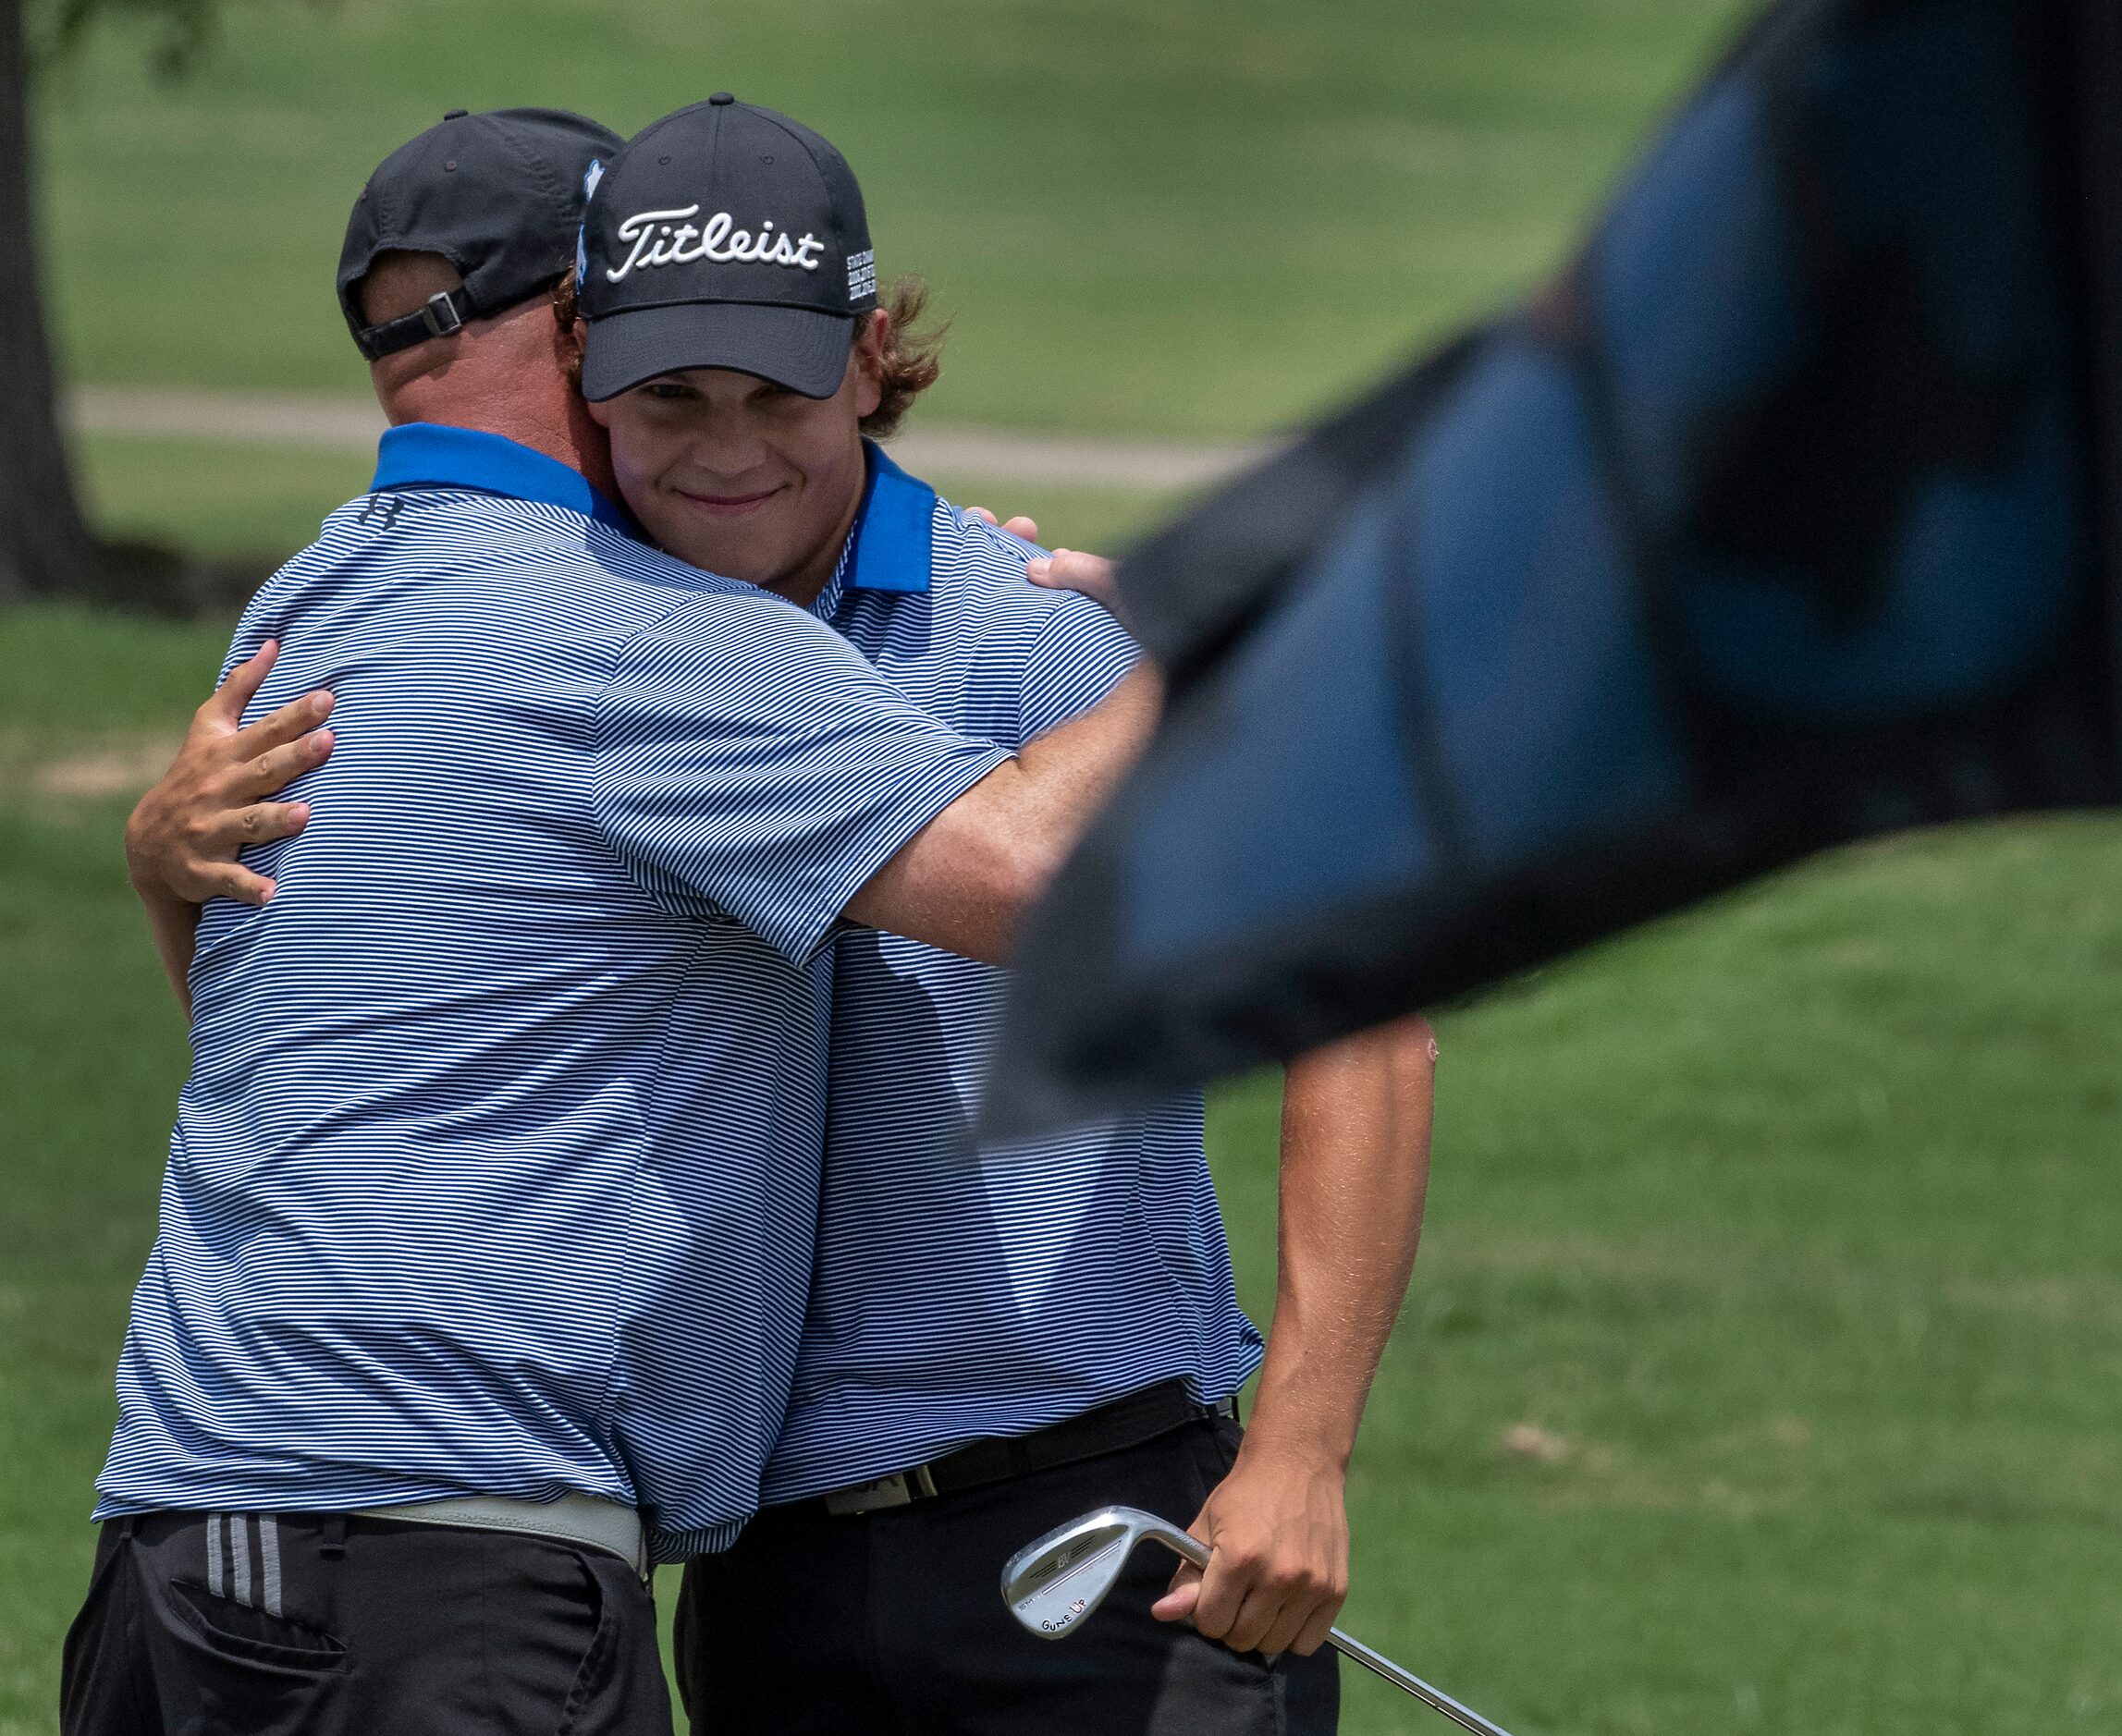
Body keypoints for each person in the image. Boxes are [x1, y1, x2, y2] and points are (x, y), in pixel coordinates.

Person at [132, 94, 1437, 1736]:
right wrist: (162, 857)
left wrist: (1304, 1446)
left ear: (871, 353)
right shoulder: (559, 638)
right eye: (670, 398)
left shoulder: (1034, 648)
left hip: (1090, 1544)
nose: (726, 449)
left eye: (779, 393)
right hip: (755, 1593)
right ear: (586, 366)